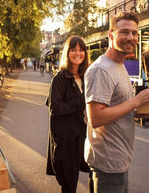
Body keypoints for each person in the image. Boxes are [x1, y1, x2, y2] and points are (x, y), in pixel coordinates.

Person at [84, 11, 149, 193]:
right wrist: (135, 102)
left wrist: (141, 111)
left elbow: (117, 108)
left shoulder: (119, 65)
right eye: (124, 32)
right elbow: (96, 118)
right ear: (111, 35)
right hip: (108, 162)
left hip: (119, 158)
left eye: (134, 33)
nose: (131, 37)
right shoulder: (101, 69)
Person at [46, 36, 92, 193]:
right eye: (73, 50)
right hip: (67, 140)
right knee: (69, 184)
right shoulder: (59, 79)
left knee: (96, 173)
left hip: (86, 136)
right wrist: (80, 103)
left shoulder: (87, 76)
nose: (78, 53)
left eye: (81, 50)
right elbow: (55, 108)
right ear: (67, 52)